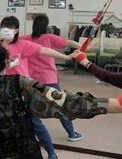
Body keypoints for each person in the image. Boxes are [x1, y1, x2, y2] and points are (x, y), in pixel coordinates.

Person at [0, 16, 72, 159]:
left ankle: (51, 152)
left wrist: (66, 56)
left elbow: (45, 50)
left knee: (34, 122)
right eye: (3, 28)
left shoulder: (23, 43)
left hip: (24, 88)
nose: (5, 31)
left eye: (9, 28)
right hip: (6, 88)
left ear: (16, 30)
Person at [25, 15, 85, 143]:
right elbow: (70, 43)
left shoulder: (26, 38)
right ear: (46, 25)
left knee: (32, 110)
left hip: (32, 80)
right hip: (49, 79)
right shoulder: (49, 37)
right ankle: (72, 134)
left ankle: (33, 136)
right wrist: (84, 47)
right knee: (60, 107)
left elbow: (6, 41)